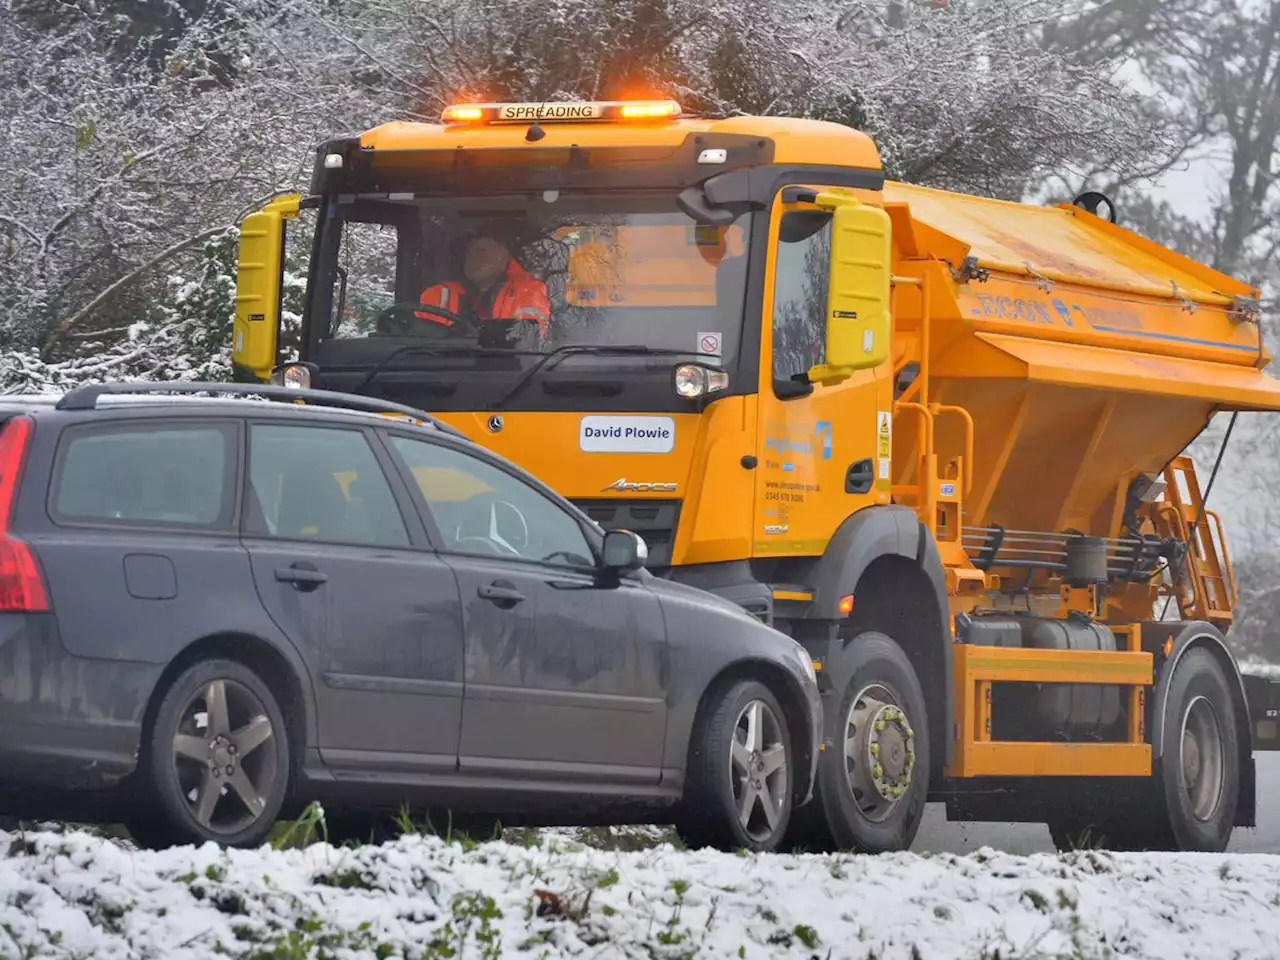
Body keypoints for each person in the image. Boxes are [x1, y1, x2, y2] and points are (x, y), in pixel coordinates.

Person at [417, 229, 551, 338]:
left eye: (481, 253)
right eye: (468, 253)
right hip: (444, 367)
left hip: (511, 367)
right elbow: (419, 341)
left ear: (503, 257)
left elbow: (529, 346)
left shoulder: (528, 293)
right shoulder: (439, 294)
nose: (472, 259)